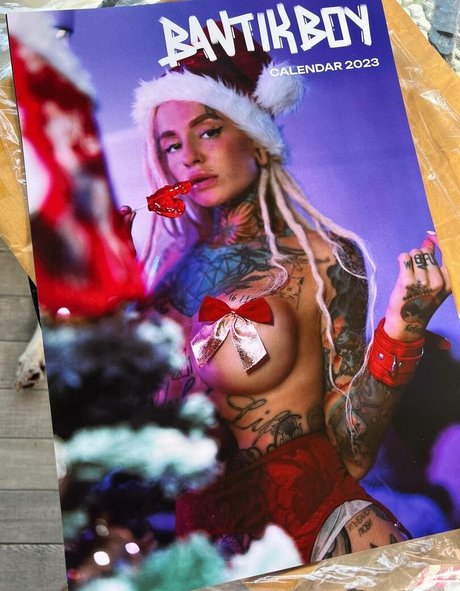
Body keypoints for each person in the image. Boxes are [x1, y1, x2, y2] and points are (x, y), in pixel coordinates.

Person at [130, 28, 451, 563]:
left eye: (208, 131)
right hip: (210, 552)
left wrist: (403, 329)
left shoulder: (325, 259)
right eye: (171, 144)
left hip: (322, 530)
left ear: (256, 137)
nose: (188, 157)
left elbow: (352, 453)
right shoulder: (165, 281)